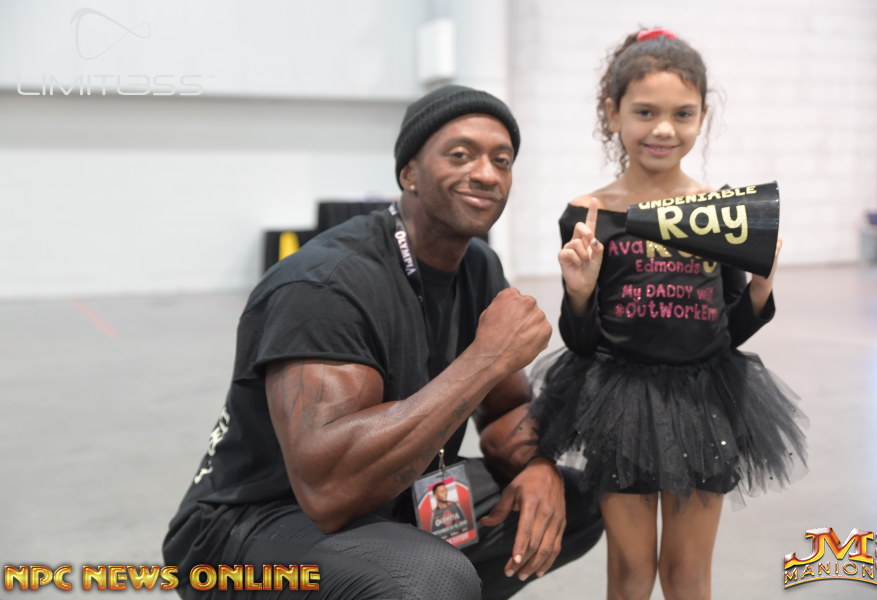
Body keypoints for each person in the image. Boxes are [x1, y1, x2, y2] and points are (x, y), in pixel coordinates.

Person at [163, 84, 603, 600]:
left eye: (501, 160)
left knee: (576, 501)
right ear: (409, 173)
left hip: (388, 494)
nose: (486, 173)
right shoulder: (326, 284)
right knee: (427, 579)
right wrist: (486, 358)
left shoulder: (478, 266)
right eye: (460, 155)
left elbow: (505, 412)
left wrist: (539, 466)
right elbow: (328, 491)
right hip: (245, 531)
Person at [529, 29, 807, 600]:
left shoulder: (721, 211)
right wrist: (579, 292)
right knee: (631, 573)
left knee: (687, 574)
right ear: (613, 113)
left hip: (704, 403)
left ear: (703, 116)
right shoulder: (588, 214)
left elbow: (729, 329)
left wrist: (760, 289)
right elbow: (581, 340)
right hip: (619, 403)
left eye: (682, 114)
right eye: (645, 112)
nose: (663, 129)